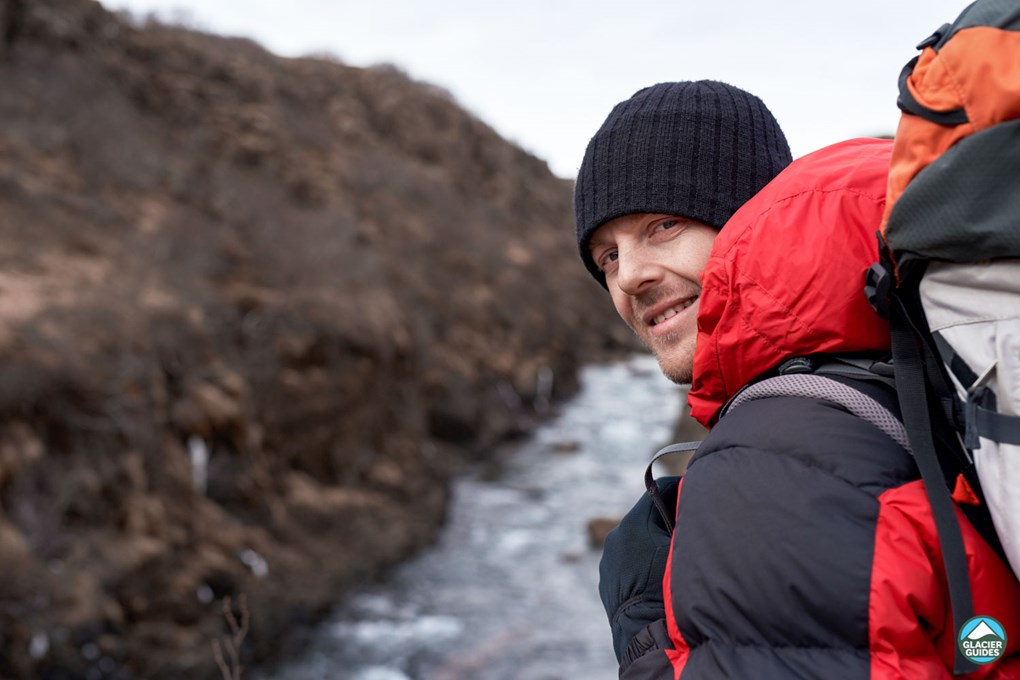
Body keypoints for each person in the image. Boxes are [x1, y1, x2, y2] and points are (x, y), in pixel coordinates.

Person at [574, 81, 1020, 678]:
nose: (628, 277)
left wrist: (650, 647)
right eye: (607, 256)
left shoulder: (768, 469)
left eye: (663, 226)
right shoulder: (904, 372)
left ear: (749, 217)